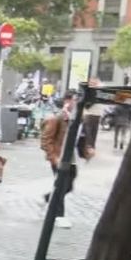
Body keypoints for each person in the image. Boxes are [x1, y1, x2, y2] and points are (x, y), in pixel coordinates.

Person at [41, 93, 77, 229]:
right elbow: (46, 139)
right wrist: (53, 157)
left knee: (69, 186)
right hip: (59, 157)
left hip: (71, 158)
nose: (76, 103)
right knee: (61, 186)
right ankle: (59, 216)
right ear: (67, 101)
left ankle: (50, 197)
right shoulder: (57, 118)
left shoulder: (74, 117)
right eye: (74, 100)